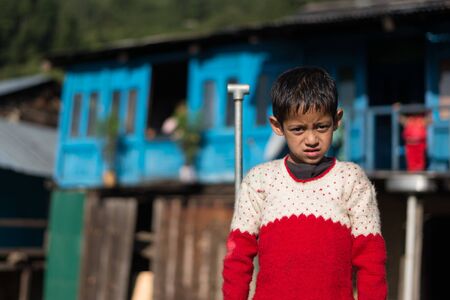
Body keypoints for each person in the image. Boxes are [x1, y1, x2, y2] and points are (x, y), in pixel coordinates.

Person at [222, 67, 387, 300]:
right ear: (277, 126)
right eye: (298, 129)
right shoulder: (260, 182)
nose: (311, 140)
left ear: (337, 120)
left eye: (321, 127)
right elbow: (238, 258)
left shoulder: (351, 180)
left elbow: (371, 261)